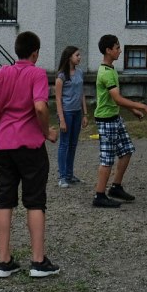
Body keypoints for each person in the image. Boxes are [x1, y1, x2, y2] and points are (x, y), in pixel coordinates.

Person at [0, 31, 60, 278]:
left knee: (4, 199)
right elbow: (39, 106)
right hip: (30, 147)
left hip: (3, 145)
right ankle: (37, 261)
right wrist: (46, 132)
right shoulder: (37, 73)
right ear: (35, 52)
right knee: (35, 201)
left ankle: (3, 261)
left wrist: (3, 121)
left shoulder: (2, 73)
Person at [92, 34, 147, 208]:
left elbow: (115, 100)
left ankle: (116, 187)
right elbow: (118, 98)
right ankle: (99, 196)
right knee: (107, 159)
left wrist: (132, 110)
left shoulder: (110, 70)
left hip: (114, 117)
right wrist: (141, 106)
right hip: (106, 121)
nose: (120, 50)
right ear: (108, 50)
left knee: (127, 151)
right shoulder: (106, 73)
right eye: (117, 47)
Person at [54, 45, 89, 188]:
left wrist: (85, 114)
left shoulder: (80, 73)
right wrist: (61, 119)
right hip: (67, 113)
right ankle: (62, 177)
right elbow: (57, 100)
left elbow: (82, 94)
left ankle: (69, 174)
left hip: (77, 113)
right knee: (64, 144)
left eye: (79, 55)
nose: (79, 57)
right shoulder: (61, 77)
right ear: (70, 57)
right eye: (77, 55)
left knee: (73, 144)